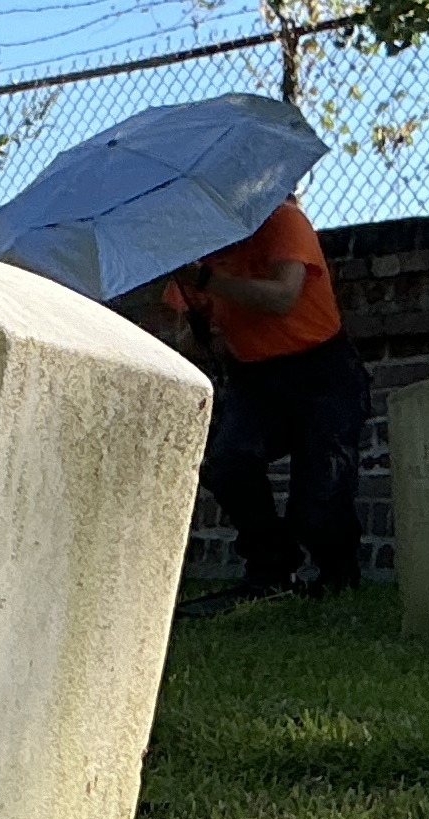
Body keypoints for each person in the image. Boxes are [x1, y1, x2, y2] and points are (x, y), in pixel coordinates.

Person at [162, 194, 369, 600]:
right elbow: (186, 336)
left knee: (319, 499)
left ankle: (338, 577)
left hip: (322, 371)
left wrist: (207, 281)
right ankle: (270, 566)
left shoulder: (283, 220)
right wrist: (195, 320)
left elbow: (282, 296)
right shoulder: (199, 251)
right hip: (253, 378)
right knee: (228, 464)